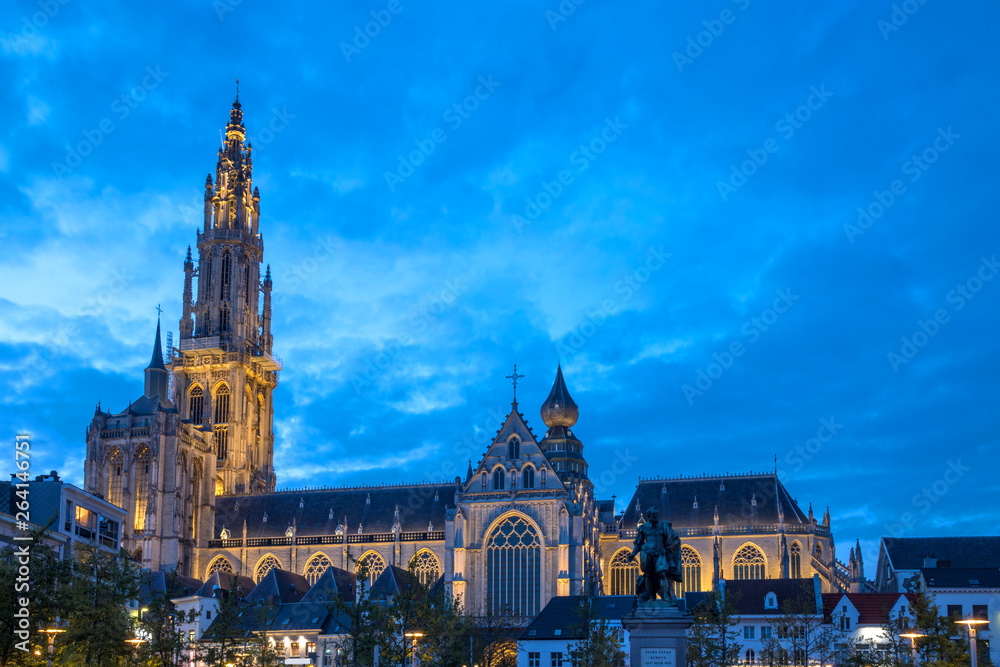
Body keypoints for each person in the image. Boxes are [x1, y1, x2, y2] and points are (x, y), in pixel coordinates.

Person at [628, 505, 683, 602]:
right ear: (649, 515)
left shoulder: (664, 526)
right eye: (653, 514)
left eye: (656, 514)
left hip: (660, 553)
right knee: (649, 575)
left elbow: (675, 539)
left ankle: (665, 596)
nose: (655, 516)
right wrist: (633, 554)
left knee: (662, 574)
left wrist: (669, 548)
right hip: (647, 553)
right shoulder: (643, 528)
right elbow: (638, 543)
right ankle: (650, 597)